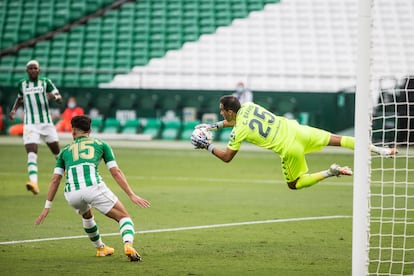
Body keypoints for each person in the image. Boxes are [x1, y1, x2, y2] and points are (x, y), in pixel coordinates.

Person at [192, 95, 398, 190]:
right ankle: (379, 150)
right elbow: (236, 120)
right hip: (298, 130)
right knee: (341, 140)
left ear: (229, 111)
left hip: (289, 148)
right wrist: (213, 127)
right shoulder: (249, 105)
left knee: (294, 184)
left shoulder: (239, 130)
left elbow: (227, 157)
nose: (221, 113)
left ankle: (331, 172)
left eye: (222, 110)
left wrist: (207, 145)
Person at [35, 115, 150, 261]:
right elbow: (115, 172)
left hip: (72, 194)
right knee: (123, 217)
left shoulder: (64, 151)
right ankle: (128, 245)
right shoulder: (101, 144)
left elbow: (55, 179)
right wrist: (131, 195)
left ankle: (101, 248)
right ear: (90, 130)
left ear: (73, 132)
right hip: (93, 188)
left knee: (87, 214)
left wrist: (47, 207)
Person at [8, 60, 62, 195]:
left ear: (39, 70)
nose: (32, 70)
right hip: (30, 124)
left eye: (35, 68)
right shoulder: (22, 84)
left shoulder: (46, 82)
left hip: (46, 123)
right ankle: (34, 183)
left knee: (57, 154)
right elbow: (20, 98)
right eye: (30, 68)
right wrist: (14, 110)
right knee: (31, 154)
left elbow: (59, 97)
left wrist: (54, 97)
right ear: (27, 71)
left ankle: (71, 175)